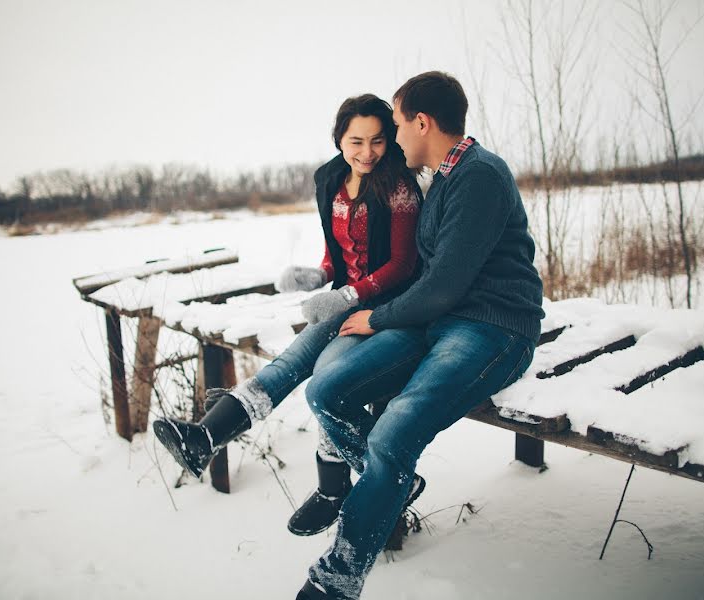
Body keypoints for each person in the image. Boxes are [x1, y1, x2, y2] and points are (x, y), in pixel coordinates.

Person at [295, 72, 545, 600]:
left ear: (423, 122)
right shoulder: (445, 176)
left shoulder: (479, 176)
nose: (394, 137)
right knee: (325, 390)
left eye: (398, 124)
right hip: (439, 321)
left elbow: (445, 285)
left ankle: (335, 581)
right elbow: (431, 283)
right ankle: (392, 482)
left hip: (493, 326)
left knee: (391, 435)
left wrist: (377, 317)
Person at [153, 94, 426, 537]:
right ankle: (204, 439)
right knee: (289, 363)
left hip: (386, 308)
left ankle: (339, 489)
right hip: (343, 300)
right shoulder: (331, 181)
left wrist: (350, 295)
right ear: (339, 139)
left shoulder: (397, 187)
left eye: (377, 141)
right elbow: (338, 250)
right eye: (356, 140)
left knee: (327, 374)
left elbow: (402, 264)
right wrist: (318, 274)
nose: (367, 152)